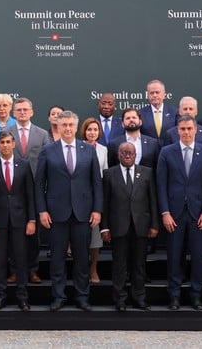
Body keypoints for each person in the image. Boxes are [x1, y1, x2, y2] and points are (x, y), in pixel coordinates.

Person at [35, 110, 103, 311]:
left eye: (71, 125)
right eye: (63, 125)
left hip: (83, 213)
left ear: (76, 126)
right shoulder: (48, 150)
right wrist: (42, 211)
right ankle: (58, 296)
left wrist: (97, 210)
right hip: (56, 213)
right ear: (58, 125)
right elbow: (39, 184)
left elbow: (96, 183)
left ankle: (82, 296)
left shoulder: (88, 150)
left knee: (82, 257)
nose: (67, 128)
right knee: (57, 258)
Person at [157, 115, 202, 310]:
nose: (186, 132)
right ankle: (174, 295)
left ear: (196, 129)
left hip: (198, 214)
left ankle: (196, 295)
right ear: (177, 131)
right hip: (174, 215)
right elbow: (161, 185)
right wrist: (165, 212)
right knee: (174, 256)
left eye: (189, 129)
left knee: (198, 256)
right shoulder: (166, 152)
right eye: (182, 129)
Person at [100, 141, 158, 311]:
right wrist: (104, 227)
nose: (127, 156)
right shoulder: (109, 174)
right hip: (118, 226)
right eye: (123, 153)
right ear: (118, 155)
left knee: (139, 264)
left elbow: (153, 201)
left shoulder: (146, 173)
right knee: (119, 265)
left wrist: (154, 224)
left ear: (135, 155)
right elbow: (105, 203)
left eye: (130, 153)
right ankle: (120, 300)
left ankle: (139, 298)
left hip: (141, 226)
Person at [0, 131, 34, 312]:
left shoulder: (24, 166)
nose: (5, 145)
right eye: (2, 143)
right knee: (0, 261)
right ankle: (1, 297)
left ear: (14, 144)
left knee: (21, 260)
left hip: (21, 221)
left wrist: (32, 220)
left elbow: (30, 194)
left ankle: (22, 298)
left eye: (8, 142)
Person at [6, 96, 51, 283]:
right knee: (13, 232)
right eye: (19, 110)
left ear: (32, 112)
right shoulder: (6, 133)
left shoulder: (42, 134)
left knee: (34, 234)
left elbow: (48, 162)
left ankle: (32, 269)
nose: (22, 113)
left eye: (25, 109)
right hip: (12, 190)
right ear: (13, 113)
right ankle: (15, 270)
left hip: (35, 190)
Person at [80, 117, 109, 283]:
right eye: (89, 129)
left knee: (95, 237)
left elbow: (104, 175)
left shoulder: (103, 149)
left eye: (95, 130)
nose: (92, 132)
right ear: (84, 131)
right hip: (79, 196)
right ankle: (81, 270)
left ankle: (93, 269)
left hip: (95, 197)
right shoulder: (78, 146)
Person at [138, 79, 177, 143]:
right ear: (148, 95)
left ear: (164, 94)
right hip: (149, 151)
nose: (155, 95)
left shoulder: (174, 112)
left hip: (168, 149)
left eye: (157, 92)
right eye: (152, 93)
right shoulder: (140, 113)